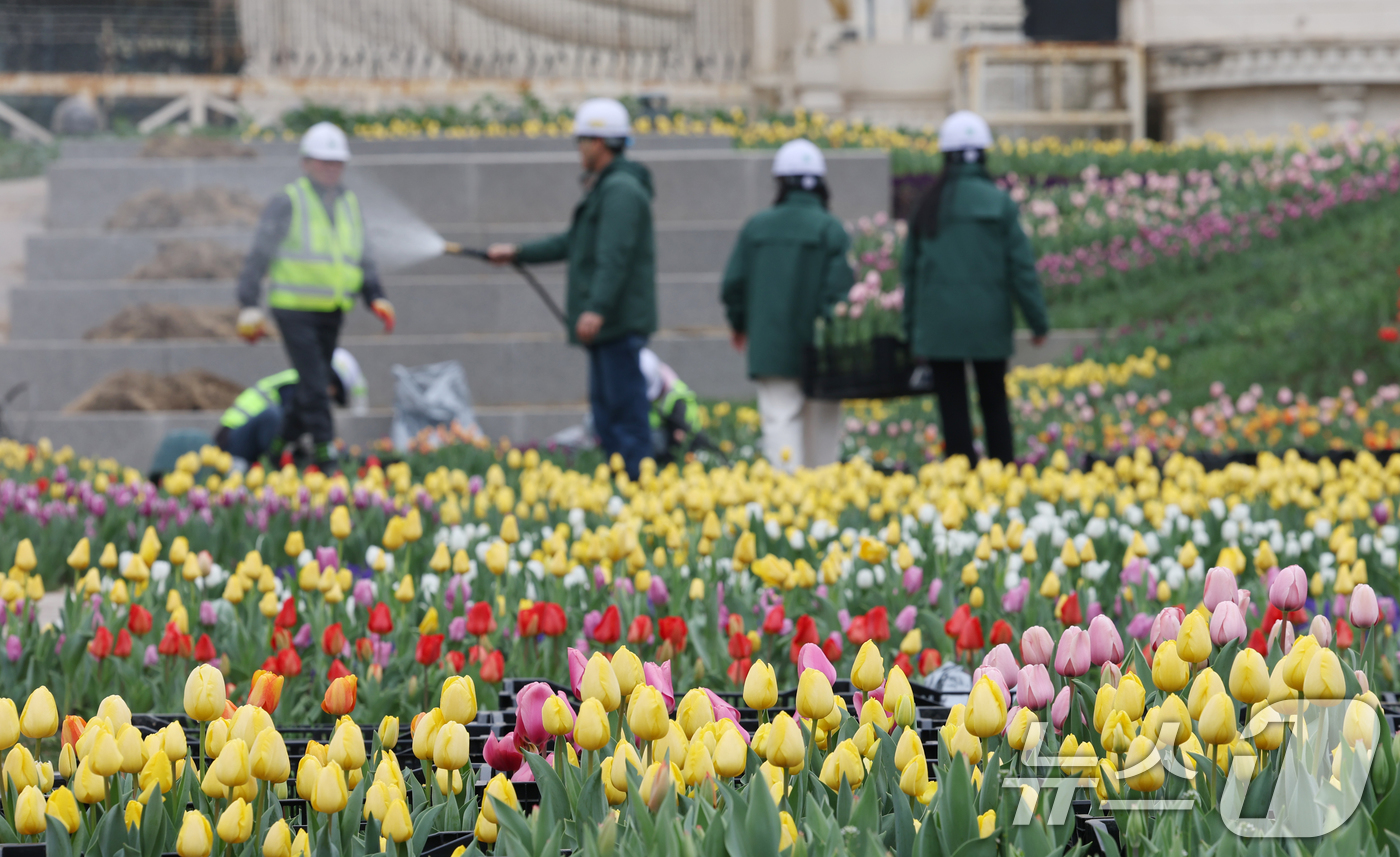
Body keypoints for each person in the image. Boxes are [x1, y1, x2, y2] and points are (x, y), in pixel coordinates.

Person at [486, 98, 657, 479]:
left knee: (624, 414)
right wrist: (518, 253)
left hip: (616, 323)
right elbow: (574, 242)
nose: (579, 150)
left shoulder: (621, 192)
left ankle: (637, 486)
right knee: (606, 413)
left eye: (582, 141)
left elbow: (615, 257)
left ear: (599, 143)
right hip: (609, 326)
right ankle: (622, 485)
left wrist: (595, 308)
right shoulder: (608, 189)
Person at [234, 121, 395, 467]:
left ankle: (275, 452)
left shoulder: (349, 203)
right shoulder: (288, 202)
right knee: (317, 384)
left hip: (331, 309)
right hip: (294, 309)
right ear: (305, 163)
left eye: (336, 162)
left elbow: (362, 255)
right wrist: (248, 304)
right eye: (323, 162)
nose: (330, 168)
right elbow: (258, 254)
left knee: (311, 385)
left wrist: (375, 296)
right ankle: (326, 456)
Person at [902, 110, 1049, 464]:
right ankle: (1001, 474)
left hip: (941, 326)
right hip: (989, 322)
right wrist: (1037, 321)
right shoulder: (998, 202)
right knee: (994, 402)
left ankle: (961, 478)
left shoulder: (928, 206)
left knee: (953, 407)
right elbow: (1021, 269)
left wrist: (911, 331)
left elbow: (910, 274)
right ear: (983, 154)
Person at [720, 138, 854, 472]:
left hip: (771, 346)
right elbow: (839, 293)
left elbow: (733, 286)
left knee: (781, 423)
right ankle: (823, 508)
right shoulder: (831, 229)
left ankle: (785, 506)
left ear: (779, 182)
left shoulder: (757, 227)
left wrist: (739, 324)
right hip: (822, 351)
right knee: (822, 435)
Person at [215, 354, 353, 466]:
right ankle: (275, 467)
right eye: (333, 390)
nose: (329, 398)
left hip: (245, 438)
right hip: (231, 440)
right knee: (274, 417)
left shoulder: (306, 384)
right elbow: (289, 425)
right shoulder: (300, 385)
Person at [639, 347, 701, 462]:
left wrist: (679, 429)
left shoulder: (675, 395)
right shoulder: (661, 383)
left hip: (687, 434)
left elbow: (680, 413)